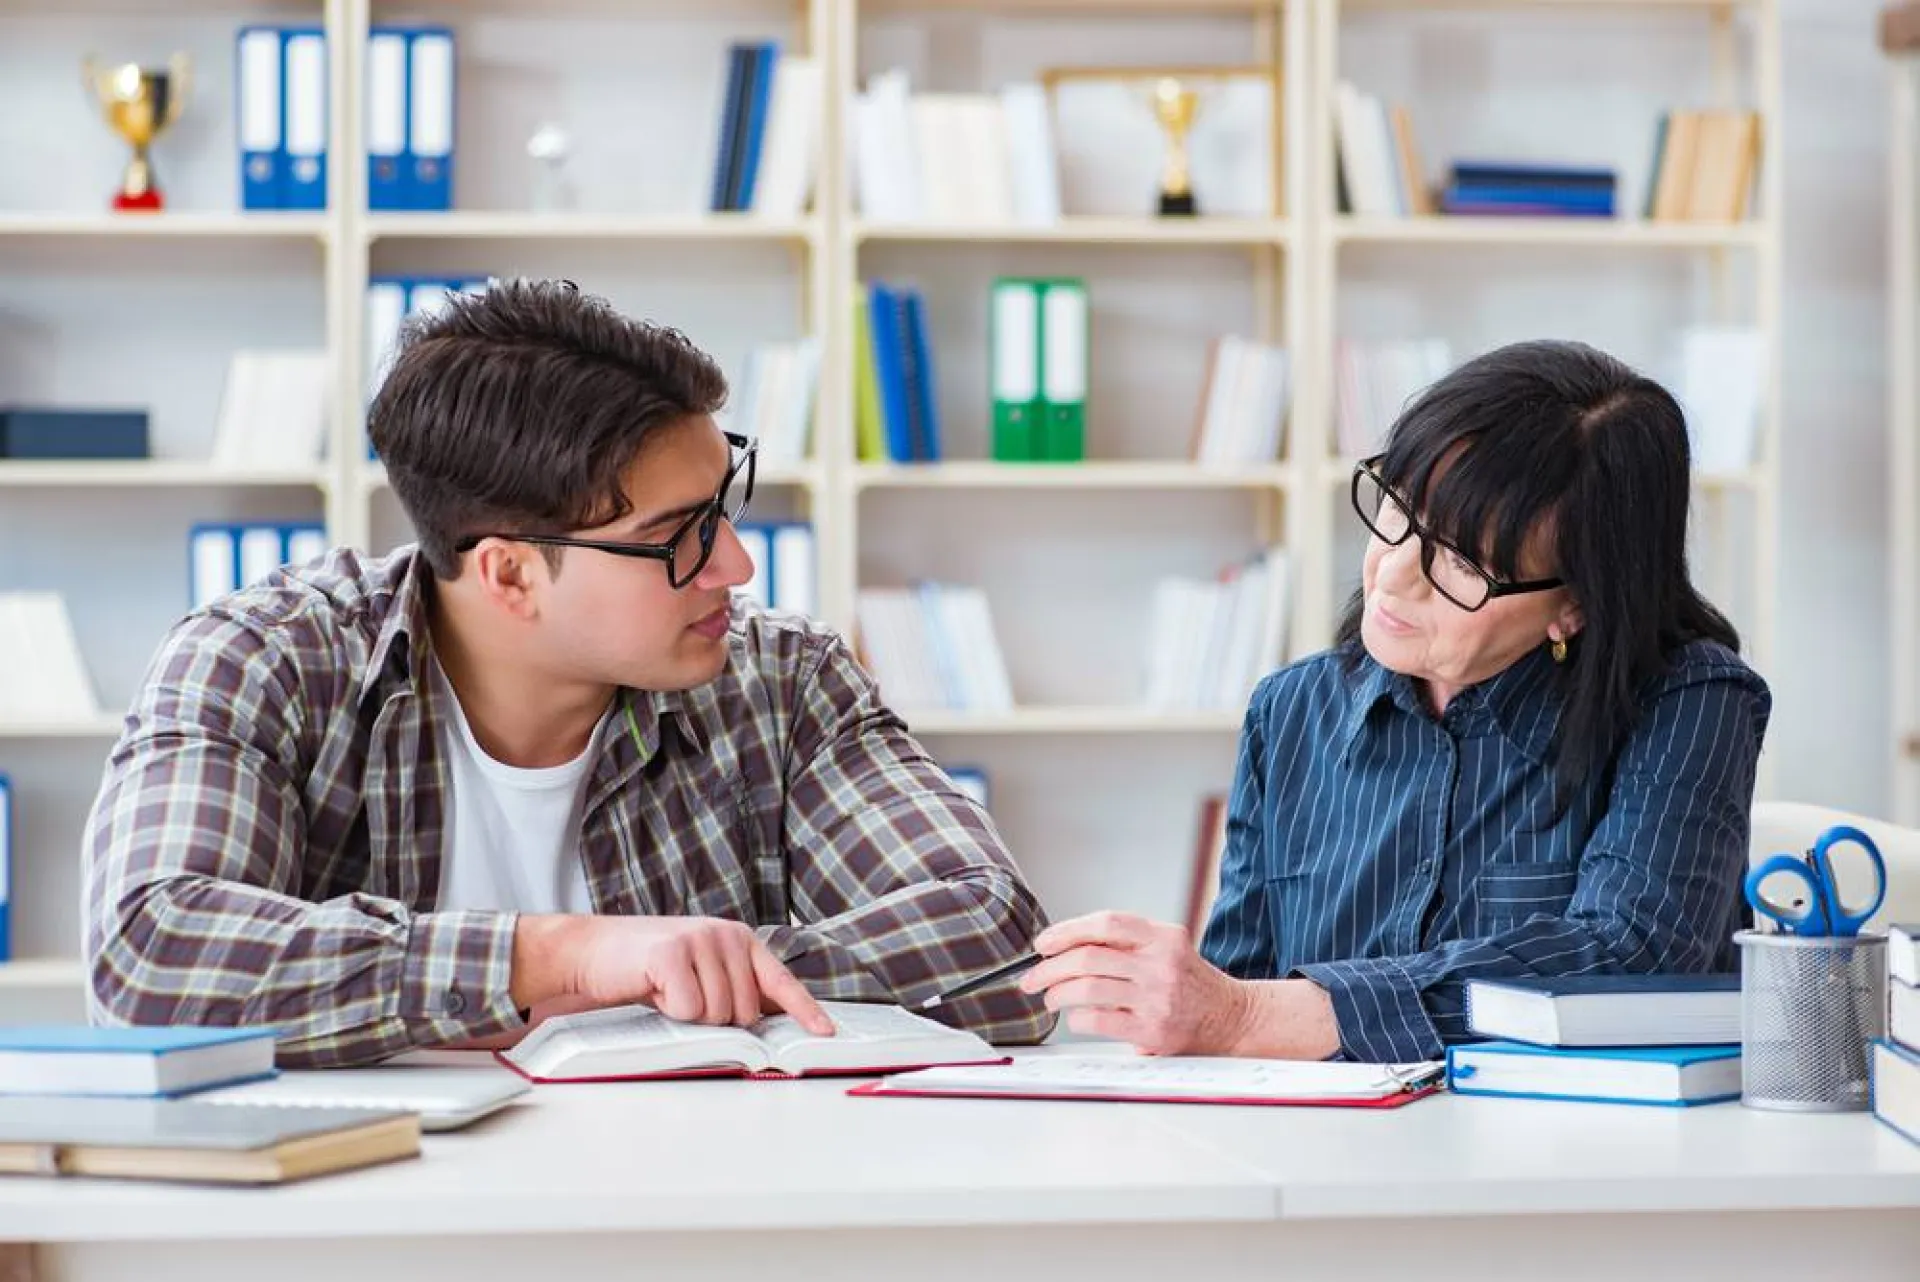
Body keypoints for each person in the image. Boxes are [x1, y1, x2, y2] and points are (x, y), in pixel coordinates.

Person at [83, 279, 1052, 1068]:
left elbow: (1003, 947)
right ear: (509, 572)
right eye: (677, 538)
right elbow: (150, 961)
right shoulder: (261, 664)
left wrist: (714, 967)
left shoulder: (784, 681)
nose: (736, 567)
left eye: (724, 508)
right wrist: (567, 958)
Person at [1023, 339, 1771, 1063]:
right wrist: (1189, 1009)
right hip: (1327, 1167)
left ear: (1574, 603)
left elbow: (1625, 955)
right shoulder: (1292, 711)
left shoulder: (1692, 702)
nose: (1391, 576)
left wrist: (1254, 1013)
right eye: (1398, 511)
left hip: (1563, 1164)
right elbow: (1231, 1015)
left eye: (1460, 561)